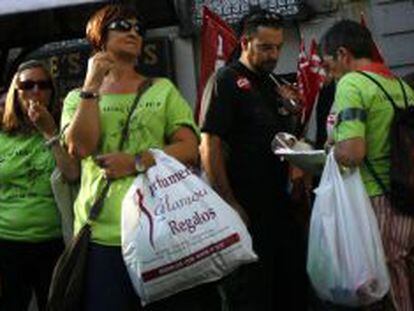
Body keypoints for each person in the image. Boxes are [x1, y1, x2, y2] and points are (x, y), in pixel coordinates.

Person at [62, 4, 220, 310]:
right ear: (99, 35)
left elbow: (190, 149)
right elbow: (80, 148)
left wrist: (136, 160)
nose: (134, 32)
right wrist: (92, 86)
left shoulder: (162, 90)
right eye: (123, 26)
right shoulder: (77, 97)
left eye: (139, 28)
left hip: (160, 230)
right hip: (102, 237)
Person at [200, 9, 308, 311]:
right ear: (246, 42)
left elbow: (284, 141)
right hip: (247, 211)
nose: (274, 54)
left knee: (292, 292)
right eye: (265, 47)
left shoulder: (273, 83)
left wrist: (292, 114)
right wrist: (230, 204)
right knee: (253, 297)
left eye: (278, 46)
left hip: (283, 210)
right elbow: (209, 144)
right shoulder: (226, 80)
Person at [320, 20, 414, 311]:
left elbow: (352, 153)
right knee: (404, 271)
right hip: (405, 195)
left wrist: (328, 152)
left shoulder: (352, 84)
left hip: (375, 200)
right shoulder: (401, 86)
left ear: (343, 54)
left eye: (329, 65)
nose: (329, 74)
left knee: (381, 283)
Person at [0, 60, 79, 311]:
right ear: (16, 90)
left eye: (43, 85)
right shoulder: (2, 133)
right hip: (7, 241)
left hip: (53, 240)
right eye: (27, 84)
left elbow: (72, 173)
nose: (36, 91)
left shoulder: (65, 127)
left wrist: (49, 133)